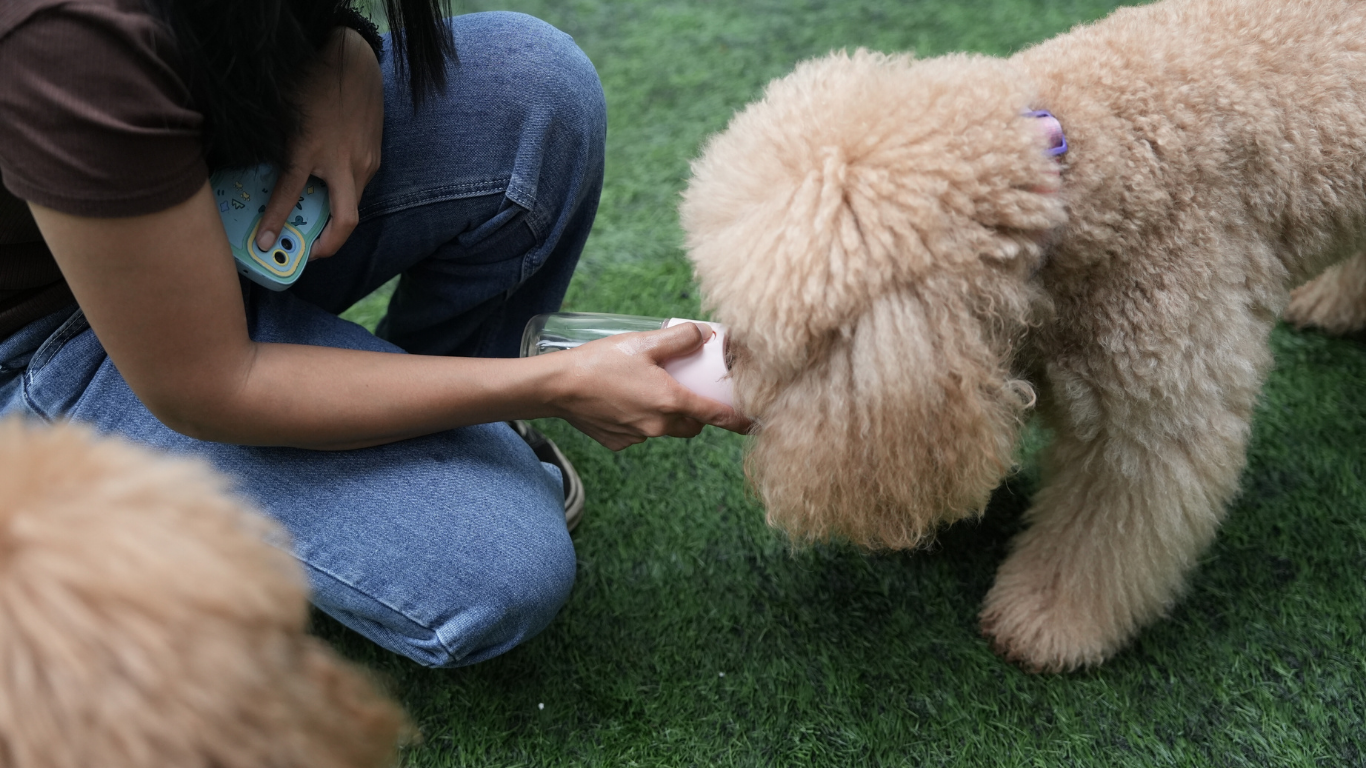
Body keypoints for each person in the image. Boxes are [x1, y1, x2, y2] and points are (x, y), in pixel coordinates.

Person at [0, 0, 748, 668]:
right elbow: (213, 386)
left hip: (212, 199)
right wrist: (551, 385)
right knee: (500, 565)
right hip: (58, 337)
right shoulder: (65, 34)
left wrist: (340, 45)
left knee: (539, 88)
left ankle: (414, 424)